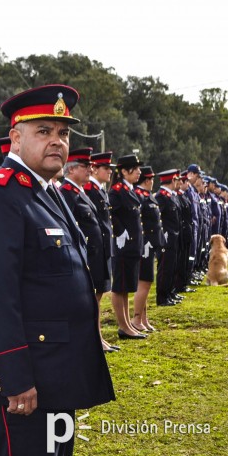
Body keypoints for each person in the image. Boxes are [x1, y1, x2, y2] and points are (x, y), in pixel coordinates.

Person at [0, 84, 115, 456]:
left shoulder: (46, 191)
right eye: (44, 130)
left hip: (57, 377)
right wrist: (15, 380)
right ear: (14, 137)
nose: (57, 141)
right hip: (22, 387)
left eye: (63, 132)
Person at [60, 148, 118, 352]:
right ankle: (93, 340)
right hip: (84, 257)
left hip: (94, 254)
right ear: (72, 169)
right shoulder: (66, 192)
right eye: (85, 166)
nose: (90, 169)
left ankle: (97, 338)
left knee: (96, 301)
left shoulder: (79, 192)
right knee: (88, 302)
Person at [109, 153, 146, 339]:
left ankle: (127, 324)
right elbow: (112, 213)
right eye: (136, 168)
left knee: (126, 287)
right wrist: (119, 231)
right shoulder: (117, 190)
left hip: (132, 246)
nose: (139, 172)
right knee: (119, 286)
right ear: (124, 171)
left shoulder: (129, 189)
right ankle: (123, 326)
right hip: (123, 245)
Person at [133, 166, 163, 332]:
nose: (152, 182)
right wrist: (143, 242)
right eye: (151, 179)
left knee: (147, 282)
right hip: (145, 244)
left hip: (150, 244)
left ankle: (143, 318)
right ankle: (136, 318)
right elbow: (140, 222)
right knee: (144, 282)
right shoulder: (140, 196)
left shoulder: (147, 196)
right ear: (146, 180)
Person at [155, 169, 181, 306]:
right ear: (172, 181)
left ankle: (169, 293)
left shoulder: (170, 196)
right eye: (176, 180)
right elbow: (157, 217)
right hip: (166, 237)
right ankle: (162, 297)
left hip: (173, 237)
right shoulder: (161, 196)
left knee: (172, 267)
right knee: (165, 268)